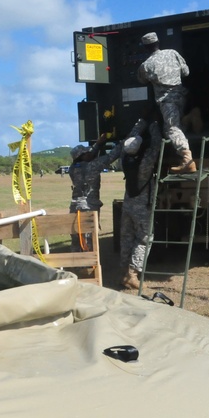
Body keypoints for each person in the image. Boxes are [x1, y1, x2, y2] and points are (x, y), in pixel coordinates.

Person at [137, 32, 196, 173]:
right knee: (173, 128)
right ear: (158, 43)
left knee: (172, 129)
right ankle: (189, 118)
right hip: (181, 95)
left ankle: (187, 159)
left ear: (146, 48)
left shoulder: (146, 65)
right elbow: (186, 72)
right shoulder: (173, 53)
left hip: (167, 102)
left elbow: (141, 80)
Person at [117, 120, 162, 290]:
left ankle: (122, 273)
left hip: (128, 203)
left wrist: (139, 124)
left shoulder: (123, 160)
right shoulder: (145, 162)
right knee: (144, 238)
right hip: (142, 206)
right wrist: (152, 125)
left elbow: (127, 141)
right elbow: (156, 144)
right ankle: (132, 273)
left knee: (126, 238)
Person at [68, 133, 124, 252]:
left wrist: (98, 144)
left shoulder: (73, 168)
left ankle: (76, 264)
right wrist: (124, 142)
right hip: (88, 206)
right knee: (88, 238)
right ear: (82, 156)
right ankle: (88, 267)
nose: (89, 153)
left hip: (75, 206)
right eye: (86, 153)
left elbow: (89, 156)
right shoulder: (93, 165)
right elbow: (111, 156)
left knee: (76, 237)